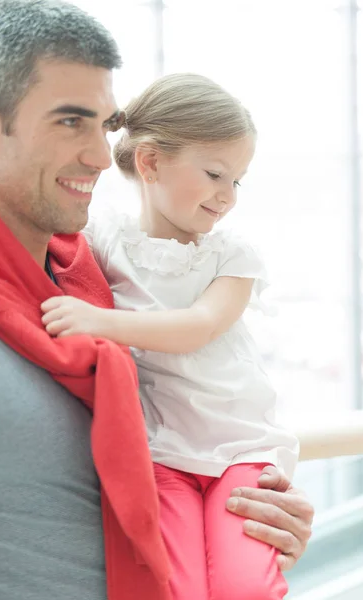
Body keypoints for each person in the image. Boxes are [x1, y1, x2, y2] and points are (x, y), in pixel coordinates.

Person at [0, 2, 313, 600]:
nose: (105, 156)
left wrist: (256, 534)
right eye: (70, 122)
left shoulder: (88, 269)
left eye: (104, 126)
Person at [41, 73, 299, 599]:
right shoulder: (104, 238)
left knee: (244, 587)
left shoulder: (231, 256)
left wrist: (98, 321)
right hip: (161, 457)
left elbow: (197, 328)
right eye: (214, 174)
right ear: (151, 162)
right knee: (172, 589)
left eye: (237, 181)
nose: (227, 196)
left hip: (239, 452)